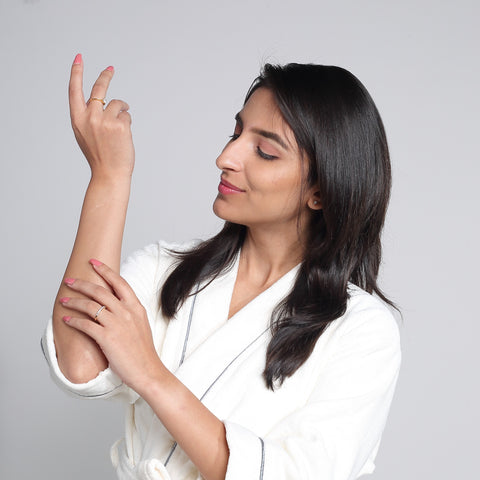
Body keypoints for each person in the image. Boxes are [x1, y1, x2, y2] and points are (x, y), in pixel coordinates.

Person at [42, 53, 401, 480]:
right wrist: (109, 176)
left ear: (320, 192)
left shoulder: (361, 329)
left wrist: (151, 375)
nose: (226, 157)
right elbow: (78, 364)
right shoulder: (167, 270)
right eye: (235, 132)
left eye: (264, 152)